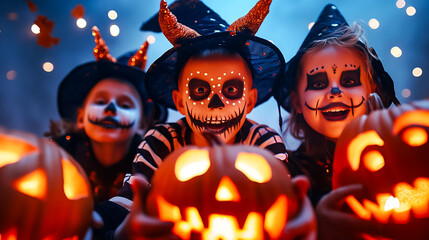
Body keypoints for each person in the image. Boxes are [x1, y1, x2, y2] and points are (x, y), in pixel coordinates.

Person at [94, 0, 316, 239]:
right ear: (180, 102)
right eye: (200, 91)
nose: (216, 104)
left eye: (231, 90)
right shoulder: (163, 141)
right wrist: (96, 224)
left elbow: (279, 204)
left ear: (250, 101)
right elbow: (128, 202)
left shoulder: (263, 142)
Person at [273, 3, 399, 239]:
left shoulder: (400, 157)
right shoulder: (287, 174)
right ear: (297, 102)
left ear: (373, 91)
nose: (334, 91)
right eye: (318, 84)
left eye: (349, 81)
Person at [51, 26, 167, 204]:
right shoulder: (57, 155)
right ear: (81, 118)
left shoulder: (150, 162)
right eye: (100, 101)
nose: (111, 108)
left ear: (143, 125)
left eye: (125, 105)